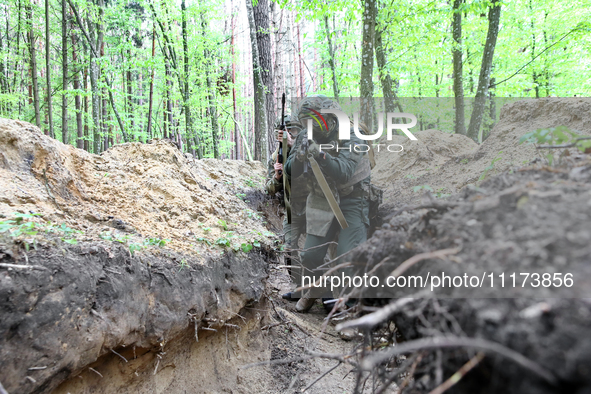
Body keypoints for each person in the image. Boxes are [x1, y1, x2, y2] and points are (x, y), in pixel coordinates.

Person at [285, 95, 371, 313]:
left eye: (315, 120)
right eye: (307, 121)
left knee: (347, 257)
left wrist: (320, 155)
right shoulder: (306, 134)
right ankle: (313, 291)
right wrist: (299, 157)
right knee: (310, 255)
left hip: (353, 200)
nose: (310, 126)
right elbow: (288, 170)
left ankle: (351, 313)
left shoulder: (352, 135)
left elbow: (344, 172)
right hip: (322, 198)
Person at [265, 115, 307, 300]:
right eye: (286, 132)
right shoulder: (276, 157)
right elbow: (269, 189)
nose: (290, 135)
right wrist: (277, 177)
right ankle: (300, 288)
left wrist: (294, 145)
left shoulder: (308, 148)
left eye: (294, 131)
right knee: (290, 249)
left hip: (314, 205)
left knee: (319, 249)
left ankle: (328, 292)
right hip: (292, 208)